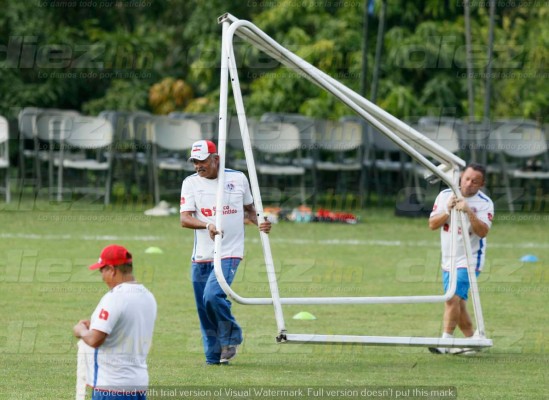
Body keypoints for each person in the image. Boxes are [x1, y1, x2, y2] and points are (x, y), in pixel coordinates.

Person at [180, 140, 271, 365]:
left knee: (212, 295)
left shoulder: (238, 178)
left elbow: (250, 211)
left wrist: (261, 221)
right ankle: (214, 356)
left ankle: (231, 337)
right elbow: (184, 218)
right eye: (195, 161)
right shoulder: (190, 183)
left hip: (230, 251)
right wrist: (207, 225)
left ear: (216, 158)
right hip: (202, 254)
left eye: (202, 161)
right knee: (204, 306)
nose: (198, 166)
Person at [73, 245, 157, 399]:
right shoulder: (148, 297)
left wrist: (81, 330)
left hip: (111, 388)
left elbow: (94, 339)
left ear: (112, 270)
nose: (102, 276)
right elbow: (127, 328)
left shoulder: (114, 298)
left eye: (102, 271)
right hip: (138, 386)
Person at [428, 163, 494, 355]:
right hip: (448, 259)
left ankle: (445, 341)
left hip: (470, 258)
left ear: (482, 184)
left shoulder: (485, 202)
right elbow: (432, 224)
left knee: (452, 298)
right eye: (466, 178)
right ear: (461, 177)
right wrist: (447, 210)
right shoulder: (444, 195)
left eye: (475, 181)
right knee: (459, 304)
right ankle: (472, 340)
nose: (469, 184)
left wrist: (468, 211)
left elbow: (482, 232)